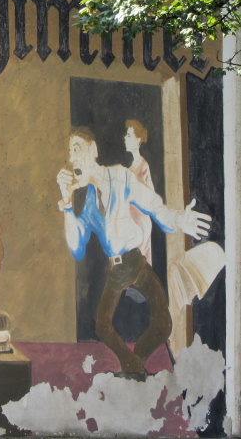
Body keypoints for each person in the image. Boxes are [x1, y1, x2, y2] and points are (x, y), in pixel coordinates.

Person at [56, 127, 211, 379]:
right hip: (116, 270)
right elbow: (76, 247)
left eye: (76, 149)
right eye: (69, 153)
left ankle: (133, 366)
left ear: (93, 150)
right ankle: (135, 368)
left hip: (135, 263)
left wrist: (180, 219)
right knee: (102, 326)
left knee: (164, 324)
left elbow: (153, 205)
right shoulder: (89, 203)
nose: (72, 158)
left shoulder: (120, 176)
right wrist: (65, 203)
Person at [124, 120, 154, 265]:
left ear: (138, 140)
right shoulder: (129, 170)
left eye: (129, 135)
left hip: (141, 223)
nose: (125, 138)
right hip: (131, 224)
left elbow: (151, 197)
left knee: (141, 266)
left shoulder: (143, 166)